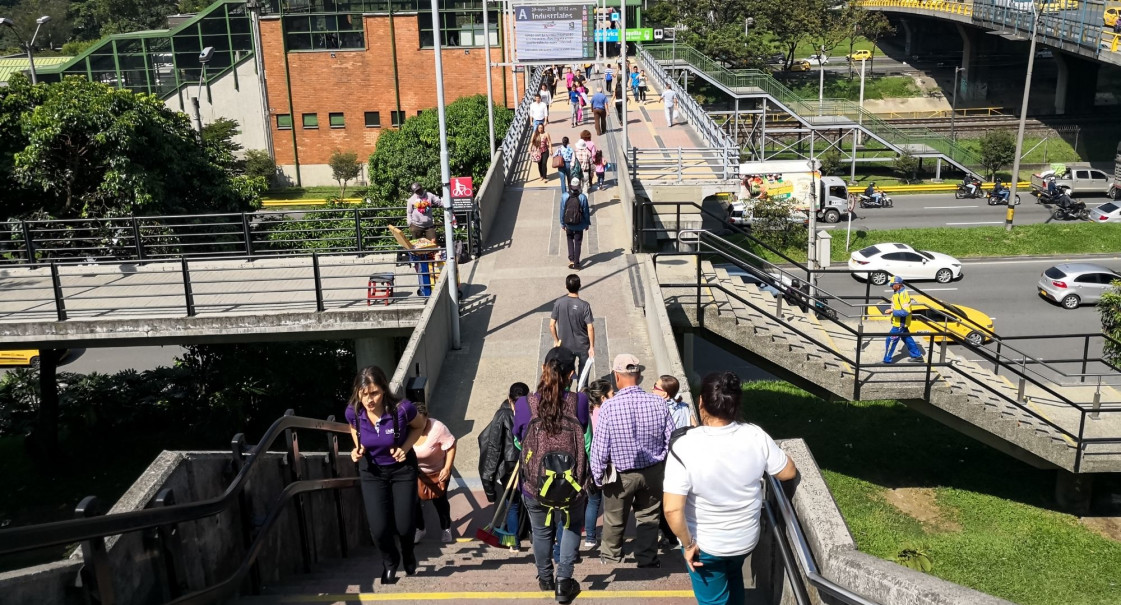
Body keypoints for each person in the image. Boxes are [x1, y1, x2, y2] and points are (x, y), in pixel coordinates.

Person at [663, 372, 798, 605]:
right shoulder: (756, 435)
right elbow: (787, 472)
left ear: (701, 403)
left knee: (713, 600)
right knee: (734, 576)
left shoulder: (684, 446)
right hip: (745, 539)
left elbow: (673, 510)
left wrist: (688, 545)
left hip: (705, 545)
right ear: (736, 404)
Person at [513, 347, 590, 604]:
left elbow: (518, 437)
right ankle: (564, 582)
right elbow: (584, 430)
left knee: (541, 530)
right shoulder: (579, 401)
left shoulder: (525, 403)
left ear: (544, 368)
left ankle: (545, 578)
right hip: (572, 483)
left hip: (536, 484)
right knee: (569, 526)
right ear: (570, 374)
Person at [345, 365, 428, 585]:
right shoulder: (354, 411)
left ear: (384, 390)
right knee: (379, 529)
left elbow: (420, 426)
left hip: (402, 469)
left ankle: (408, 553)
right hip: (372, 472)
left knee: (404, 524)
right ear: (358, 392)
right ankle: (390, 561)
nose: (369, 400)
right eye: (364, 394)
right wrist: (358, 448)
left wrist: (406, 447)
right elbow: (354, 428)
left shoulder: (402, 409)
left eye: (375, 393)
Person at [591, 354, 674, 568]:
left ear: (617, 377)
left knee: (614, 518)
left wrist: (598, 475)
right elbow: (671, 438)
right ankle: (646, 558)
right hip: (653, 470)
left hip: (620, 474)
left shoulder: (609, 407)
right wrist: (661, 460)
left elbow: (600, 447)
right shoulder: (658, 402)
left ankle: (611, 557)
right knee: (648, 516)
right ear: (639, 375)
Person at [478, 382, 530, 550]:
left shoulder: (501, 414)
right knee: (528, 500)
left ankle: (514, 541)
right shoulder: (532, 411)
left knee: (513, 503)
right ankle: (532, 536)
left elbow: (494, 446)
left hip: (510, 465)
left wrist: (489, 475)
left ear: (509, 398)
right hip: (524, 463)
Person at [412, 403, 457, 545]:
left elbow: (451, 446)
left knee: (440, 500)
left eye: (421, 422)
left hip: (438, 471)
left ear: (427, 417)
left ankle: (446, 528)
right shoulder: (407, 427)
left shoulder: (438, 428)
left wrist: (447, 468)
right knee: (413, 501)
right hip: (417, 472)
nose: (417, 425)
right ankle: (420, 528)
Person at [582, 378, 613, 549]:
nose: (613, 396)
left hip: (588, 462)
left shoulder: (587, 412)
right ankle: (608, 537)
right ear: (602, 397)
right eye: (611, 393)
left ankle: (590, 537)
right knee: (609, 501)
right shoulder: (607, 413)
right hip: (606, 462)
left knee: (592, 500)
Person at [550, 273, 595, 375]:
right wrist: (591, 346)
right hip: (582, 345)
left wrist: (556, 341)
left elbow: (552, 325)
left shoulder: (558, 302)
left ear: (566, 287)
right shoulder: (584, 305)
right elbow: (590, 327)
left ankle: (567, 390)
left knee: (565, 375)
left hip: (565, 345)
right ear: (580, 286)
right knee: (583, 375)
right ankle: (581, 390)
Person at [884, 276, 924, 364]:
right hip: (900, 322)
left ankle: (887, 360)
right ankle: (917, 356)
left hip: (900, 323)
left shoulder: (903, 295)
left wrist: (892, 311)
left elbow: (906, 312)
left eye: (892, 285)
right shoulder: (897, 292)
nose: (891, 287)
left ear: (898, 285)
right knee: (907, 338)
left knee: (890, 340)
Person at [560, 177, 591, 270]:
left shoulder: (564, 196)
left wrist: (562, 223)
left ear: (570, 185)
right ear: (579, 185)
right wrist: (587, 223)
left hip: (568, 223)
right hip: (579, 224)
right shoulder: (582, 197)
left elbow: (562, 210)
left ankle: (571, 260)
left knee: (569, 240)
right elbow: (586, 212)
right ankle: (577, 264)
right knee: (578, 243)